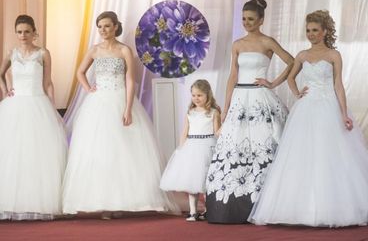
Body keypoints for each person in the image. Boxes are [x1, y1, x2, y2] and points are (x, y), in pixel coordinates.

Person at [249, 10, 368, 227]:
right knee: (303, 155)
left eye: (315, 30)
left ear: (325, 31)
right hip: (306, 108)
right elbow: (290, 77)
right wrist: (291, 91)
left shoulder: (334, 55)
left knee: (329, 155)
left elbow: (338, 85)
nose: (311, 34)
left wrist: (344, 114)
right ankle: (300, 208)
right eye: (308, 30)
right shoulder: (302, 55)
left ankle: (331, 207)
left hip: (329, 107)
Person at [62, 11, 174, 216]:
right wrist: (88, 89)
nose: (103, 30)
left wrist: (128, 107)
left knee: (124, 151)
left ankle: (123, 201)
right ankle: (103, 202)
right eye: (100, 27)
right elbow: (79, 72)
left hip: (120, 99)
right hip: (98, 103)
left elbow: (130, 80)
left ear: (115, 27)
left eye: (107, 26)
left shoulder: (124, 50)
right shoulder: (94, 50)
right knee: (100, 151)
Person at [206, 0, 293, 223]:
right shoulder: (237, 44)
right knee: (234, 146)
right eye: (244, 19)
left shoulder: (267, 41)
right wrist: (226, 108)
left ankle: (265, 201)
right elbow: (233, 76)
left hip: (259, 98)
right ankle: (230, 205)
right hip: (239, 99)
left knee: (264, 144)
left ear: (261, 20)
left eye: (251, 19)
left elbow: (292, 62)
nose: (246, 23)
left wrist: (273, 83)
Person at [0, 15, 67, 220]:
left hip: (38, 103)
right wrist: (6, 91)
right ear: (16, 33)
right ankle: (11, 201)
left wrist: (52, 105)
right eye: (19, 32)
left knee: (38, 153)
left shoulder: (43, 53)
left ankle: (38, 202)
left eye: (27, 31)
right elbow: (1, 74)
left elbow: (48, 82)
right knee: (13, 153)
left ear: (33, 32)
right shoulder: (11, 53)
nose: (23, 35)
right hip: (15, 106)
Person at [160, 80, 221, 222]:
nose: (196, 98)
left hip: (207, 146)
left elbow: (217, 132)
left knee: (206, 180)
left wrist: (227, 124)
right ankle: (193, 211)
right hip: (192, 147)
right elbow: (184, 132)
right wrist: (181, 149)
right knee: (192, 180)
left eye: (199, 95)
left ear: (207, 95)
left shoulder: (213, 112)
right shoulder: (190, 112)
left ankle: (208, 210)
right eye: (193, 95)